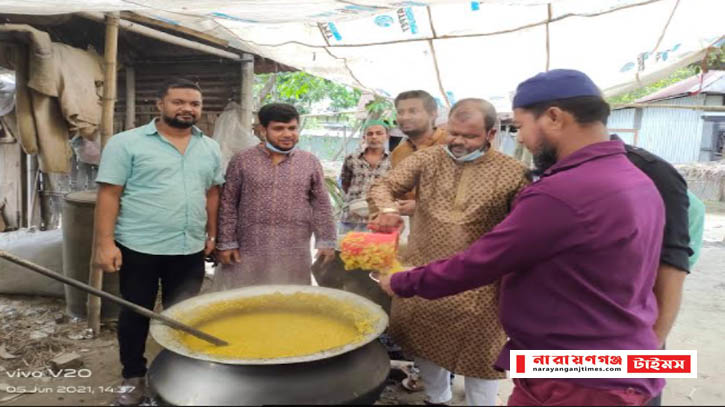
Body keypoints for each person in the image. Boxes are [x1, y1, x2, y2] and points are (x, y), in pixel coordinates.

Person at [376, 70, 666, 406]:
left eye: (522, 125)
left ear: (554, 117)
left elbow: (484, 261)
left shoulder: (562, 191)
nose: (523, 138)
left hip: (579, 371)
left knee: (483, 365)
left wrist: (403, 282)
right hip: (609, 358)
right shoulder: (638, 179)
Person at [367, 98, 530, 405]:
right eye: (453, 132)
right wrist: (388, 208)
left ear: (491, 134)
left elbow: (524, 229)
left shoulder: (514, 173)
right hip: (422, 275)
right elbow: (383, 186)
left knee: (484, 359)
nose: (458, 141)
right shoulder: (427, 159)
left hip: (481, 285)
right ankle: (436, 398)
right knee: (425, 346)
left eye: (469, 136)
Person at [93, 78, 223, 406]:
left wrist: (211, 233)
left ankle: (177, 373)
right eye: (178, 102)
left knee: (183, 314)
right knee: (136, 313)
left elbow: (212, 193)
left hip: (189, 246)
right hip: (140, 246)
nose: (187, 109)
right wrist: (105, 243)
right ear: (160, 104)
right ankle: (133, 377)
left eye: (194, 103)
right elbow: (109, 193)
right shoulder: (127, 143)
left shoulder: (209, 147)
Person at [215, 103, 336, 288]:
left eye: (292, 128)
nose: (287, 134)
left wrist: (326, 241)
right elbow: (228, 203)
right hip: (250, 248)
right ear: (263, 130)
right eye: (279, 129)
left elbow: (321, 204)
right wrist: (227, 243)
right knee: (246, 299)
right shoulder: (242, 160)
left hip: (294, 249)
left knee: (290, 299)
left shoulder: (309, 162)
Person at [390, 90, 448, 216]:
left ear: (433, 114)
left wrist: (421, 207)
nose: (405, 117)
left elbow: (472, 194)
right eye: (400, 112)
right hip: (415, 230)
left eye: (413, 111)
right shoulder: (398, 153)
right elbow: (400, 192)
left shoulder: (452, 144)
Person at [339, 120, 392, 233]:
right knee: (346, 248)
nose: (374, 137)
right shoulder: (352, 158)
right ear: (364, 137)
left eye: (379, 133)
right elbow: (345, 183)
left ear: (387, 136)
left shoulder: (393, 160)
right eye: (370, 133)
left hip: (379, 219)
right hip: (351, 218)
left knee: (375, 250)